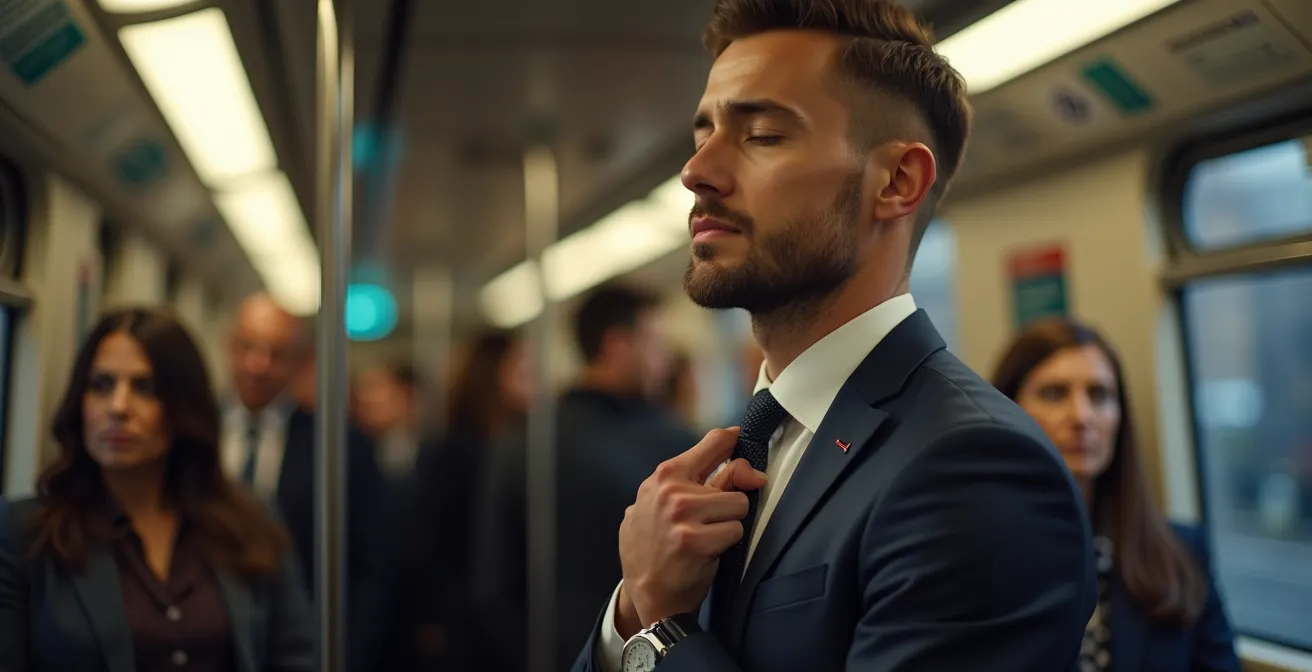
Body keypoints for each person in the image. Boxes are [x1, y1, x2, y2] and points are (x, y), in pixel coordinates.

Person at [572, 1, 1096, 670]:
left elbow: (668, 631)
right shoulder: (749, 437)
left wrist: (658, 628)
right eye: (702, 132)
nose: (696, 171)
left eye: (761, 134)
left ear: (896, 182)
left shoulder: (975, 468)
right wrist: (626, 618)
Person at [0, 307, 314, 671]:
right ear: (79, 401)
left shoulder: (250, 522)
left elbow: (294, 656)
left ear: (183, 406)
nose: (118, 407)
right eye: (101, 385)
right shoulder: (26, 532)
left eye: (144, 388)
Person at [992, 318, 1241, 672]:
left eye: (1099, 395)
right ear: (1006, 408)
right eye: (1054, 393)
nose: (1081, 416)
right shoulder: (973, 555)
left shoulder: (1181, 553)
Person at [475, 284, 697, 671]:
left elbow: (493, 581)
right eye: (655, 344)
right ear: (617, 344)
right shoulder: (676, 448)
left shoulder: (522, 441)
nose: (665, 363)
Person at [222, 292, 390, 671]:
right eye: (247, 347)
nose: (257, 365)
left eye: (276, 353)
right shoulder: (189, 436)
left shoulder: (339, 446)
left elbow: (373, 567)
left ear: (299, 362)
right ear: (228, 346)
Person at [399, 330, 530, 671]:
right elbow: (428, 542)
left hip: (506, 610)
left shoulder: (525, 448)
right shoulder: (458, 451)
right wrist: (432, 618)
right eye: (522, 369)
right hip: (463, 613)